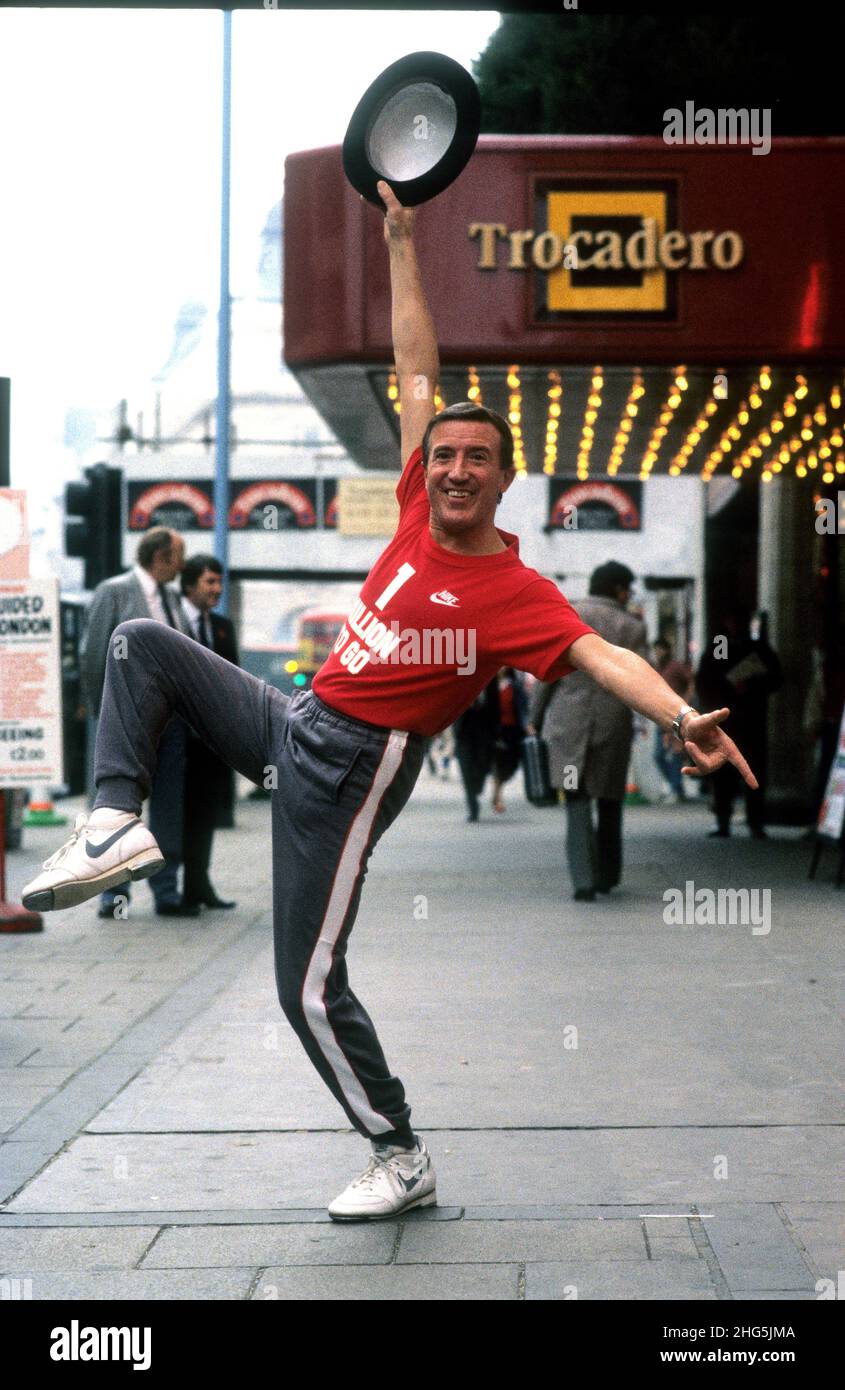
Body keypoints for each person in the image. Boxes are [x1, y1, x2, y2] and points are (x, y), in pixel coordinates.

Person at [24, 180, 757, 1221]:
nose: (453, 468)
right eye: (443, 454)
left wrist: (678, 716)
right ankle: (114, 823)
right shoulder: (415, 498)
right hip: (293, 718)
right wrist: (402, 240)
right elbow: (418, 361)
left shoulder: (514, 593)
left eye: (475, 461)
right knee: (142, 642)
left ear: (503, 481)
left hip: (353, 769)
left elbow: (599, 658)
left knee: (307, 987)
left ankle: (399, 1151)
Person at [80, 527, 196, 918]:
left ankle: (166, 891)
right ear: (160, 556)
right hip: (126, 723)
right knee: (116, 808)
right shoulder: (114, 591)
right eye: (179, 555)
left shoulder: (174, 599)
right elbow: (94, 655)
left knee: (170, 808)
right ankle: (113, 895)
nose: (183, 564)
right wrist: (105, 718)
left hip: (171, 726)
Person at [527, 562, 649, 901]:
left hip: (567, 729)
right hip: (612, 728)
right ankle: (608, 875)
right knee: (610, 801)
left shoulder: (566, 616)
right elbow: (642, 679)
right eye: (627, 589)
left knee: (576, 800)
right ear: (619, 590)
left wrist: (535, 717)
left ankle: (583, 880)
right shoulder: (632, 627)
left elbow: (546, 672)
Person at [179, 554, 239, 912]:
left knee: (204, 816)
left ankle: (201, 885)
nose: (217, 589)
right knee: (180, 816)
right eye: (209, 582)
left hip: (211, 742)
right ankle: (179, 890)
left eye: (219, 582)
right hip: (179, 741)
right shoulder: (171, 621)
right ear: (189, 586)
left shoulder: (221, 627)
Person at [695, 610, 781, 837]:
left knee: (752, 770)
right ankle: (724, 819)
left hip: (750, 717)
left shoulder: (756, 646)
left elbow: (774, 677)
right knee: (723, 770)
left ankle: (755, 821)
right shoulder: (722, 644)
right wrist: (726, 691)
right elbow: (712, 675)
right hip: (726, 717)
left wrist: (751, 685)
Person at [652, 636, 694, 804]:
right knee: (659, 755)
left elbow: (691, 681)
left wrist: (685, 702)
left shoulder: (675, 666)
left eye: (660, 649)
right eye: (656, 650)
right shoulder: (657, 668)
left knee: (676, 753)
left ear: (667, 650)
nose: (658, 653)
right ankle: (676, 787)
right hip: (661, 715)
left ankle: (676, 789)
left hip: (677, 714)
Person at [454, 679, 498, 822]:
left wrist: (497, 731)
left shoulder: (491, 677)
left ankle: (477, 785)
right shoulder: (457, 677)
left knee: (483, 764)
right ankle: (473, 805)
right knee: (466, 768)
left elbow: (496, 704)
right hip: (464, 731)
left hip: (484, 729)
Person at [490, 667, 528, 813]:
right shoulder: (489, 686)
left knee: (511, 764)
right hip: (496, 730)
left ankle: (498, 787)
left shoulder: (514, 685)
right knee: (497, 763)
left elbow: (522, 707)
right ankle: (498, 796)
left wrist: (526, 726)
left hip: (513, 730)